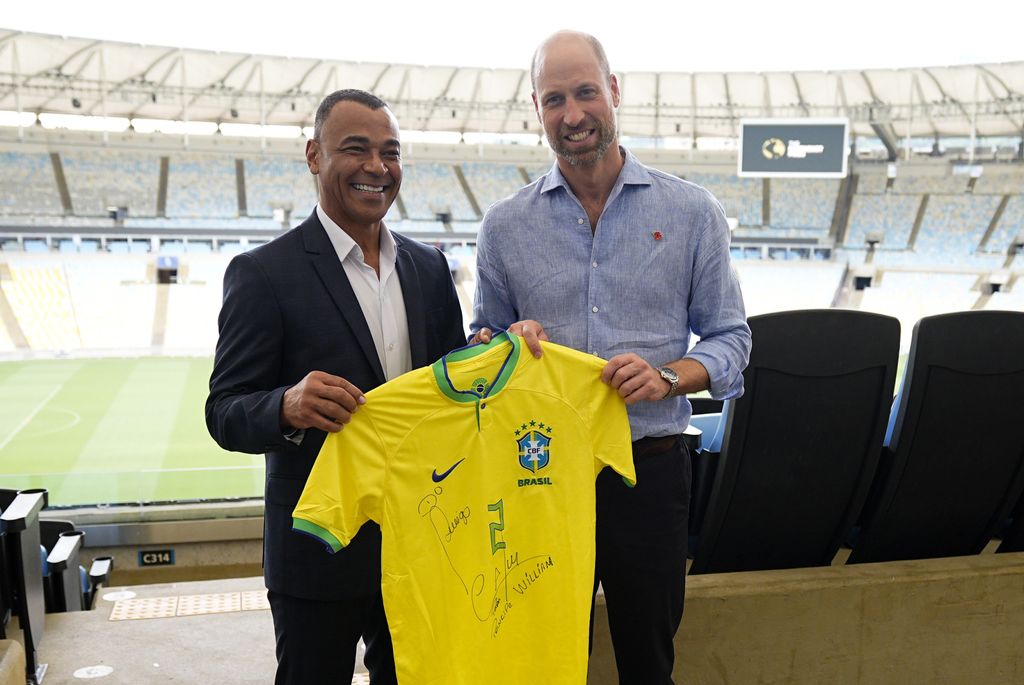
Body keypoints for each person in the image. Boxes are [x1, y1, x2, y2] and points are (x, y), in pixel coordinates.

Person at [470, 31, 752, 684]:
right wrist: (503, 344)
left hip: (647, 474)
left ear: (614, 90)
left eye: (586, 92)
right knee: (534, 656)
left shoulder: (692, 212)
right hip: (536, 474)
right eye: (554, 99)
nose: (572, 114)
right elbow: (479, 343)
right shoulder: (505, 226)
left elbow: (731, 341)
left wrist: (666, 376)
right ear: (537, 110)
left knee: (648, 660)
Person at [206, 89, 466, 685]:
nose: (377, 167)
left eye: (390, 152)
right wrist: (287, 405)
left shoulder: (429, 269)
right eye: (356, 149)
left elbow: (447, 389)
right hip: (315, 553)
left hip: (422, 542)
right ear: (314, 157)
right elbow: (223, 412)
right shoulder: (263, 274)